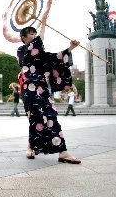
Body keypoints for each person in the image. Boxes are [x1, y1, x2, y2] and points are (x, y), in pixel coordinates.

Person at [17, 26, 81, 164]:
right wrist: (44, 19)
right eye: (31, 34)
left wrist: (70, 48)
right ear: (24, 38)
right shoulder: (22, 51)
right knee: (36, 118)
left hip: (43, 90)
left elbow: (56, 58)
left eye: (35, 33)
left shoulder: (42, 54)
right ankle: (31, 146)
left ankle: (62, 152)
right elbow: (35, 47)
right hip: (30, 90)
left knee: (51, 116)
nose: (34, 36)